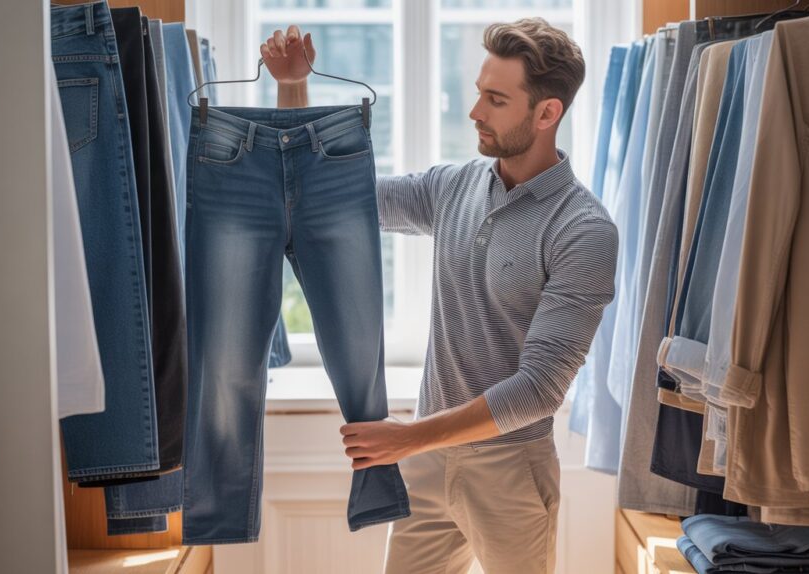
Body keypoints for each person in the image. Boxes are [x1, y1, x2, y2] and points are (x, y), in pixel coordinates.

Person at [261, 18, 617, 573]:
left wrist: (407, 439)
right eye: (479, 92)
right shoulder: (453, 187)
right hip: (426, 462)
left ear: (547, 114)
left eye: (496, 100)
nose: (475, 112)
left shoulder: (583, 229)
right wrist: (292, 88)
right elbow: (327, 202)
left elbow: (539, 389)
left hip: (509, 470)